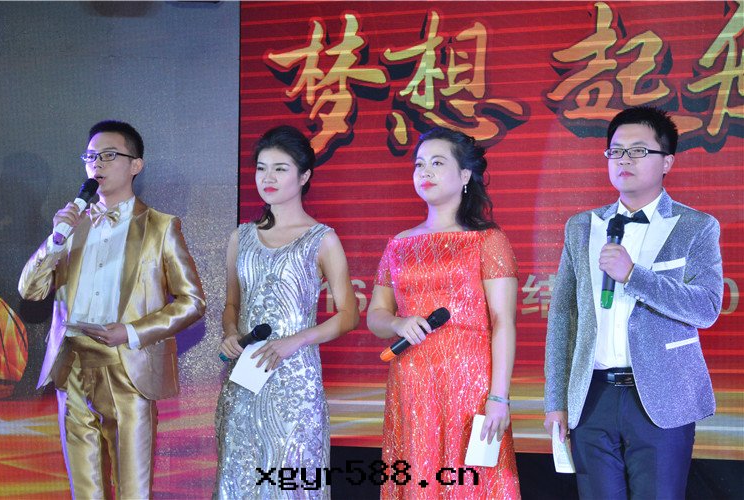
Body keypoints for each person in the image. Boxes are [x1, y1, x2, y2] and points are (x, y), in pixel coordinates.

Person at [18, 120, 206, 499]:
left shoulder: (161, 227)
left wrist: (131, 331)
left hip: (127, 364)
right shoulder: (72, 225)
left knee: (132, 487)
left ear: (136, 165)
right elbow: (30, 290)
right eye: (90, 157)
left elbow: (192, 301)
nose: (96, 164)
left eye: (108, 156)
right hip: (72, 362)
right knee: (85, 487)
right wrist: (56, 240)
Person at [544, 105, 724, 499]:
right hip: (592, 397)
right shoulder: (582, 226)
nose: (624, 159)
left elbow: (706, 307)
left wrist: (634, 276)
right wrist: (555, 400)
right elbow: (563, 318)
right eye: (616, 151)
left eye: (639, 150)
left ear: (667, 162)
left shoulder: (696, 226)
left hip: (663, 396)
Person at [367, 127, 521, 499]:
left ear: (465, 175)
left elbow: (503, 321)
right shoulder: (398, 244)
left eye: (437, 163)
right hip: (412, 382)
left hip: (470, 383)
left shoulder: (488, 239)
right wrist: (398, 322)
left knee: (471, 482)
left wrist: (499, 397)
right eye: (419, 164)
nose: (425, 172)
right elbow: (375, 315)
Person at [213, 125, 359, 499]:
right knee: (241, 478)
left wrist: (297, 340)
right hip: (244, 379)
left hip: (296, 383)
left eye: (280, 169)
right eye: (262, 168)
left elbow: (348, 314)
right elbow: (232, 305)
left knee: (291, 481)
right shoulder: (241, 237)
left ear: (304, 175)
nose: (268, 178)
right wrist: (230, 334)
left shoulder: (322, 238)